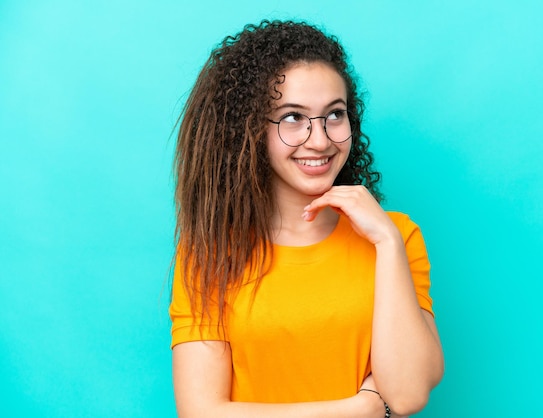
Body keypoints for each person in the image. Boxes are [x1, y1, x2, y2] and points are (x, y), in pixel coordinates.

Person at [169, 20, 444, 417]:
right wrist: (362, 408)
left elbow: (407, 395)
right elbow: (201, 412)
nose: (320, 140)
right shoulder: (210, 252)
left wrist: (385, 239)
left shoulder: (396, 235)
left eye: (335, 114)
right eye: (293, 118)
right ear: (248, 130)